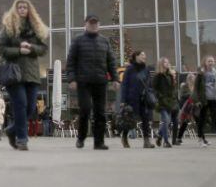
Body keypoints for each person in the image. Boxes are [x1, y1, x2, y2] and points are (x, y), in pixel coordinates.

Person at [0, 0, 49, 151]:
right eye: (19, 7)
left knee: (30, 108)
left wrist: (31, 47)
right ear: (15, 9)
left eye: (24, 7)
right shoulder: (9, 27)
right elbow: (1, 49)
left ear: (29, 10)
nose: (22, 9)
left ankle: (12, 130)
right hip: (14, 73)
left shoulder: (35, 28)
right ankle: (22, 139)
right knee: (21, 105)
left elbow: (43, 49)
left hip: (32, 74)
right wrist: (19, 50)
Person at [66, 14, 119, 149]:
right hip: (83, 82)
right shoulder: (78, 40)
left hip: (100, 81)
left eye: (95, 23)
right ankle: (81, 137)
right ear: (85, 25)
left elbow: (111, 61)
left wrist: (115, 79)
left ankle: (99, 142)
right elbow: (71, 61)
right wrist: (71, 78)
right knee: (85, 109)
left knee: (100, 112)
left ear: (99, 25)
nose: (93, 25)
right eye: (91, 23)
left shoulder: (104, 41)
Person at [120, 50, 154, 149]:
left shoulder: (146, 69)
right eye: (142, 55)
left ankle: (146, 141)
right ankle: (125, 137)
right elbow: (124, 85)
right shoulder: (129, 69)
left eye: (145, 55)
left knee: (145, 119)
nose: (145, 56)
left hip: (144, 98)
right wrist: (123, 100)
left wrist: (150, 93)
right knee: (130, 120)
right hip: (132, 99)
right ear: (136, 56)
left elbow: (149, 84)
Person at [153, 57, 178, 148]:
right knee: (166, 120)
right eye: (165, 62)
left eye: (168, 62)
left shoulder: (170, 75)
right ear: (161, 64)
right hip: (161, 102)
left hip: (169, 101)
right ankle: (166, 142)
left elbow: (172, 89)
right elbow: (154, 88)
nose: (167, 63)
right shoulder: (158, 76)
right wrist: (159, 96)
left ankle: (159, 135)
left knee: (167, 121)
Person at [176, 72, 196, 145]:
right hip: (185, 106)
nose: (191, 78)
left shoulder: (195, 86)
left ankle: (202, 138)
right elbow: (182, 95)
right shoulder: (184, 86)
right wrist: (191, 94)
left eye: (192, 77)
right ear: (187, 79)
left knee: (198, 120)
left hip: (193, 106)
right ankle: (179, 137)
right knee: (184, 122)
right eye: (190, 77)